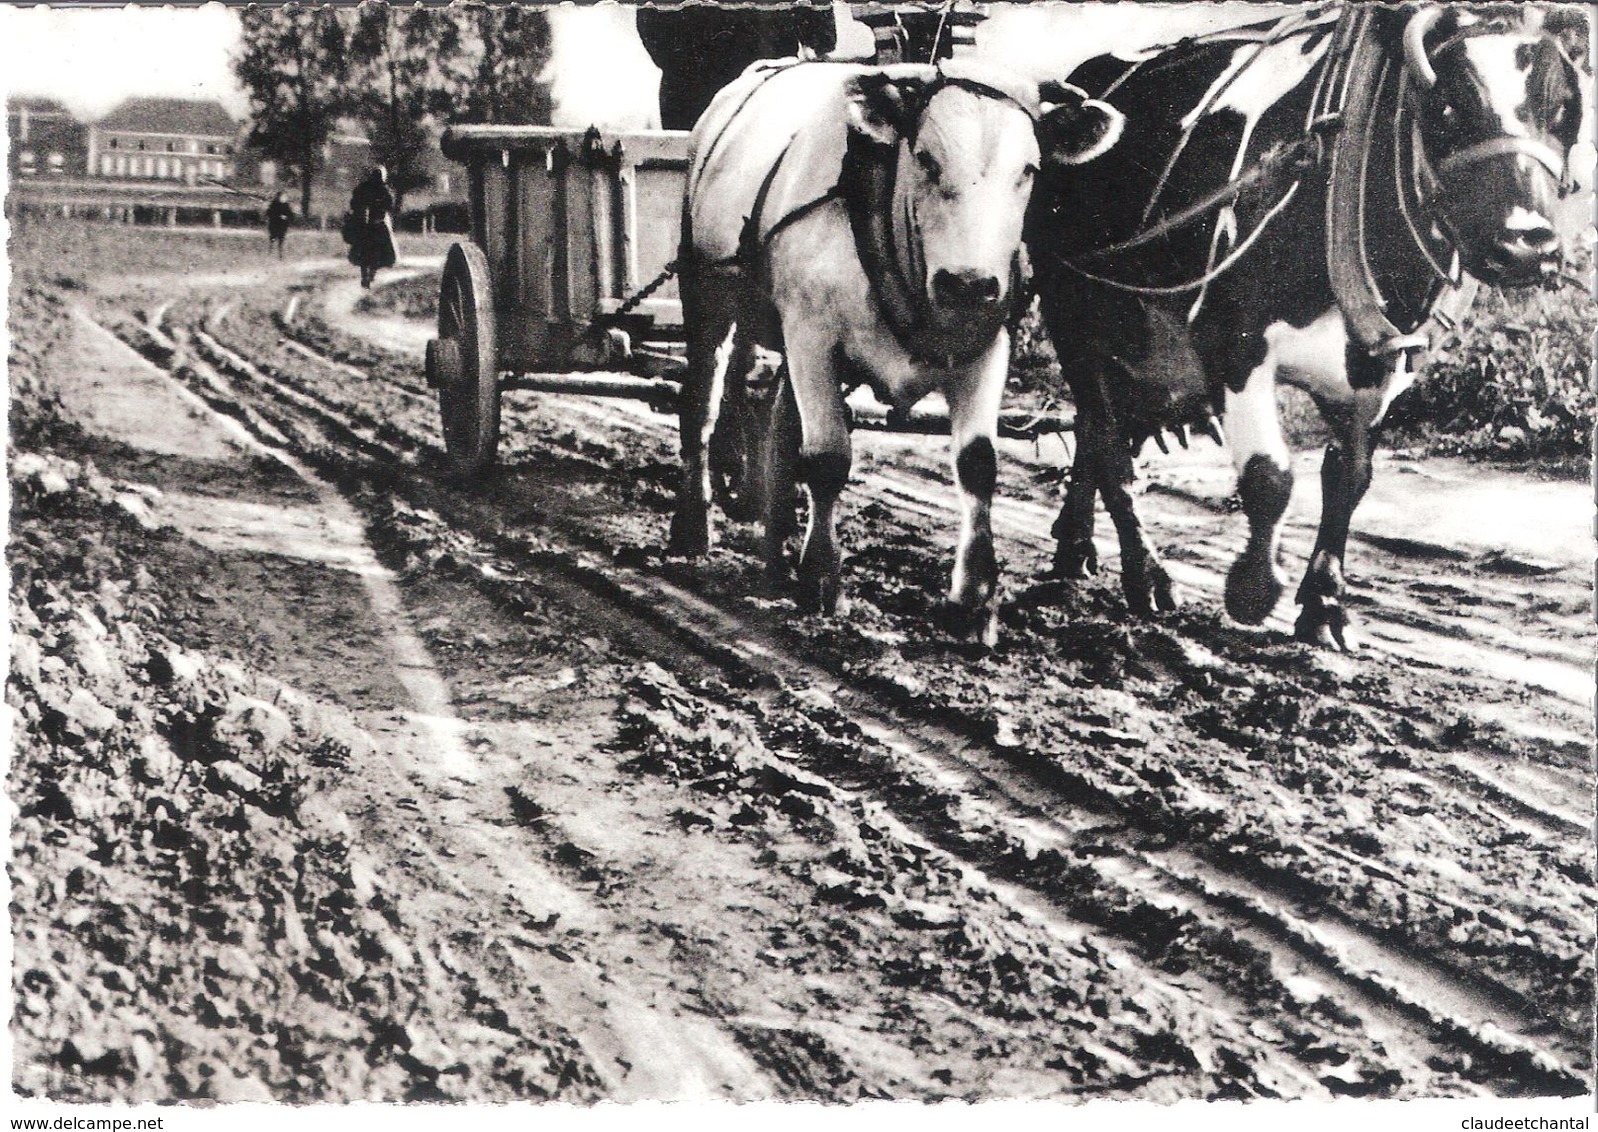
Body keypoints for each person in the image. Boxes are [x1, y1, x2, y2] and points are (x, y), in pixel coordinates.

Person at [346, 166, 397, 288]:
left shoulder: (363, 188)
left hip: (364, 225)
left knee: (365, 252)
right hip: (377, 225)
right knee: (377, 252)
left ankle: (365, 276)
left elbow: (354, 203)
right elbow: (390, 205)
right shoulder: (384, 190)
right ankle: (370, 275)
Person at [264, 191, 294, 258]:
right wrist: (278, 216)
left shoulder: (286, 205)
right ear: (278, 197)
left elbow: (291, 215)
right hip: (274, 224)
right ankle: (270, 252)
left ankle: (280, 254)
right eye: (283, 197)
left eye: (285, 197)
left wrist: (286, 217)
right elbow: (269, 213)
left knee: (281, 240)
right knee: (273, 238)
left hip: (283, 226)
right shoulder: (274, 204)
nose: (284, 198)